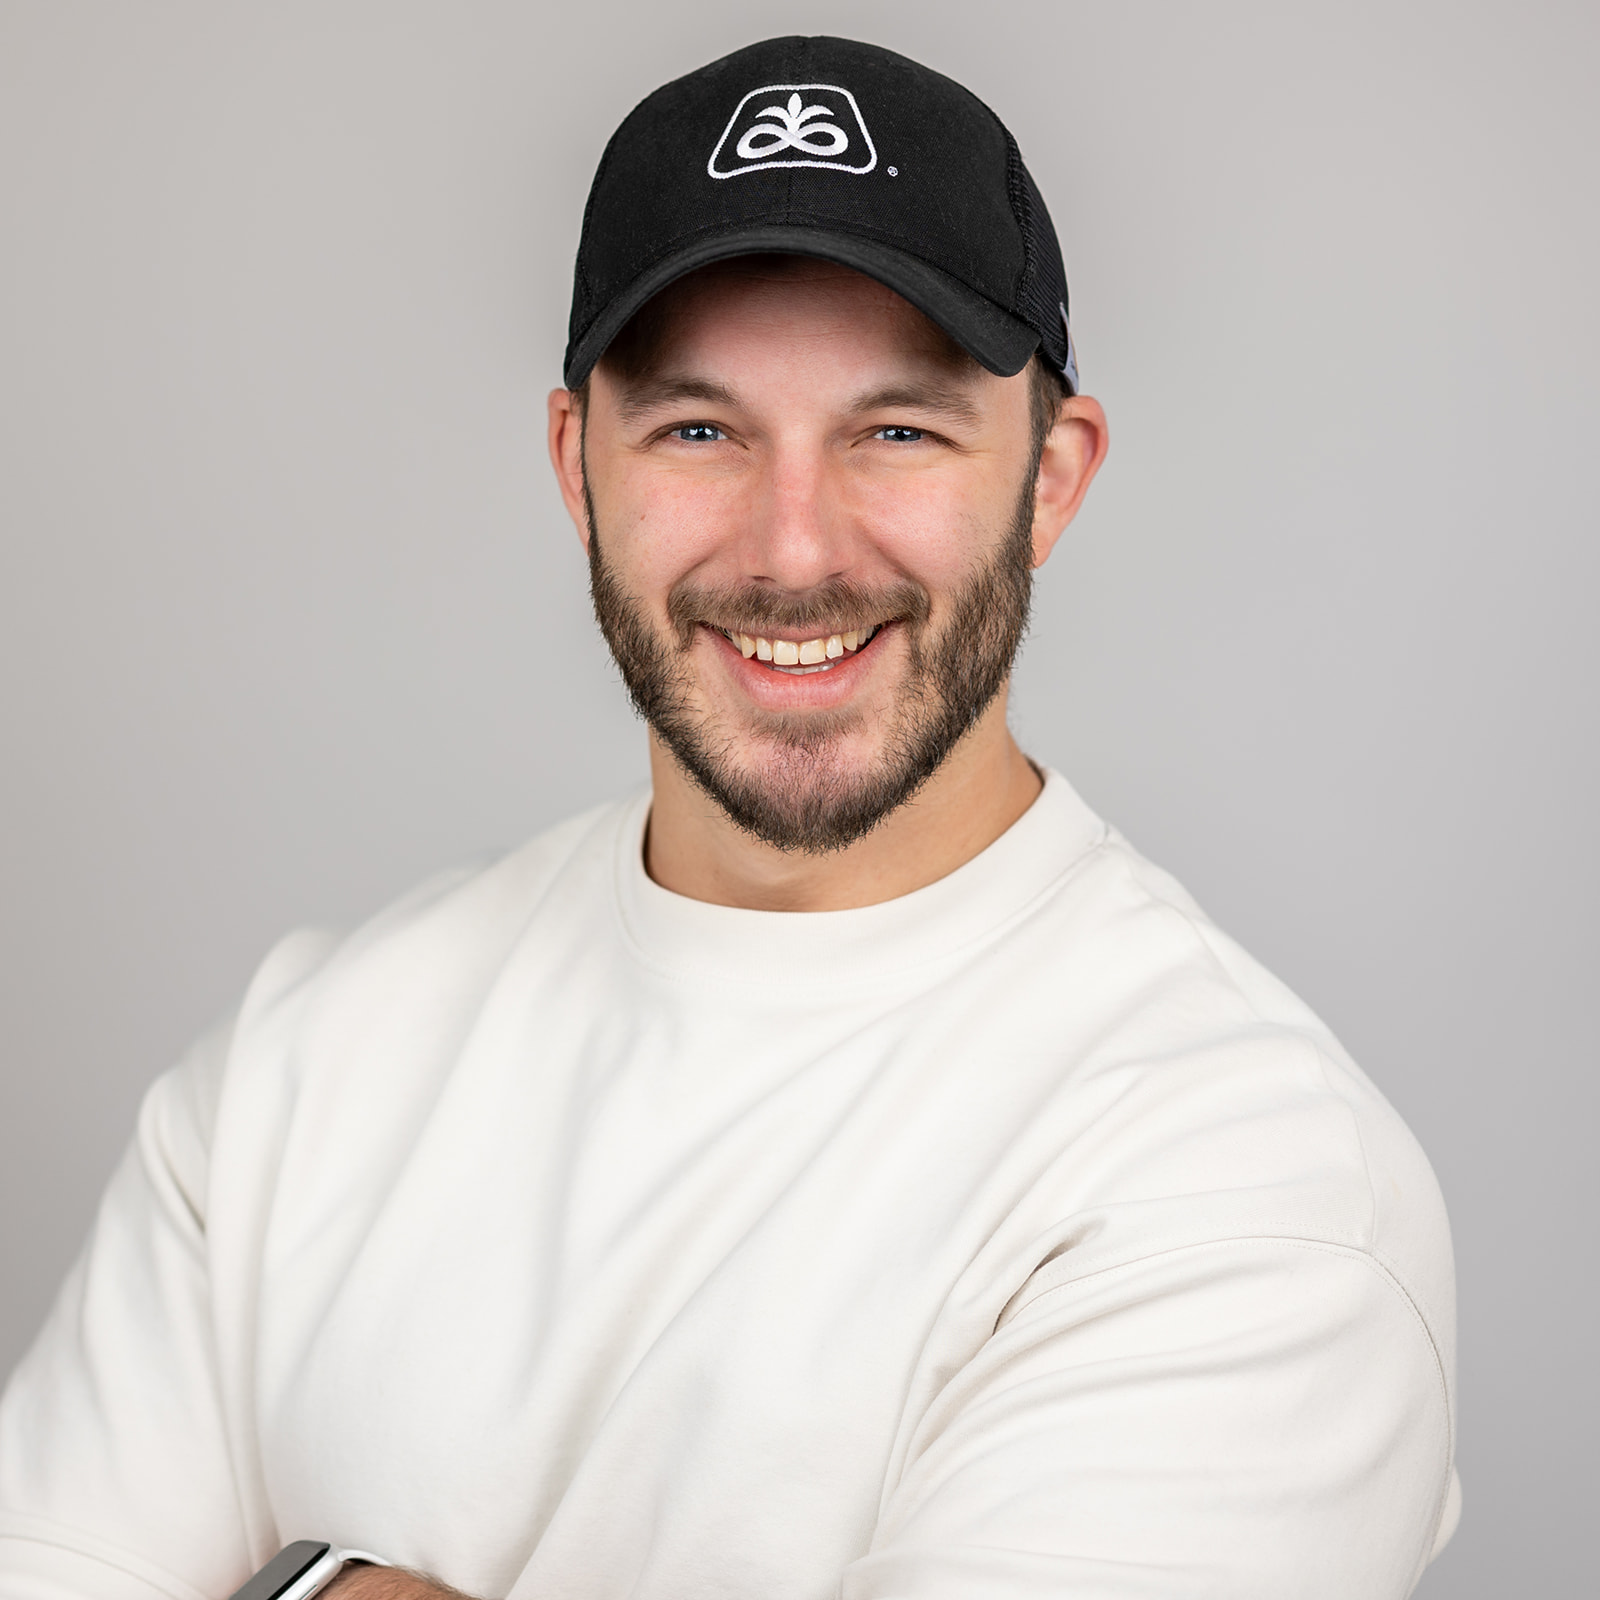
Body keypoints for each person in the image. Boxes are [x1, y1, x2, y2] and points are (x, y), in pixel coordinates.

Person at [0, 34, 1458, 1600]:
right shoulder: (300, 1073)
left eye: (897, 431)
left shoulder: (1246, 1185)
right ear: (579, 468)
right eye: (699, 430)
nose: (793, 549)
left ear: (1050, 477)